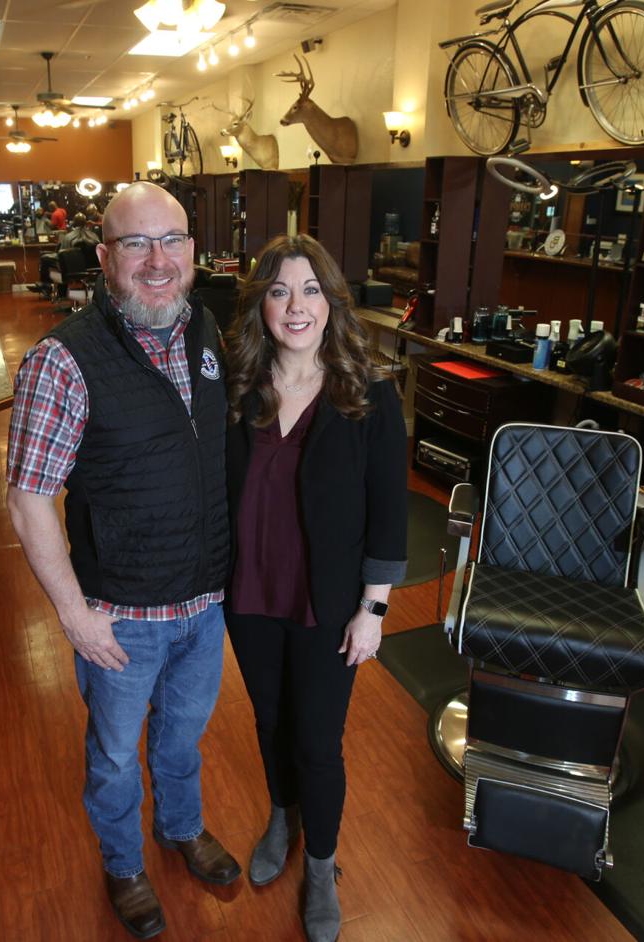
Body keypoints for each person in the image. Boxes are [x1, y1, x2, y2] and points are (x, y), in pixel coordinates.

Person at [6, 182, 238, 940]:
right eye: (136, 244)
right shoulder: (63, 359)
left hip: (202, 605)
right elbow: (29, 499)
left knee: (181, 737)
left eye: (171, 241)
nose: (157, 261)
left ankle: (181, 826)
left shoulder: (205, 330)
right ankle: (124, 865)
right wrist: (74, 615)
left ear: (193, 253)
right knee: (111, 758)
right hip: (121, 620)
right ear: (104, 257)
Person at [223, 234, 407, 942]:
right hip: (249, 595)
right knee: (270, 723)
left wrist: (374, 608)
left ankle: (322, 865)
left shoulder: (369, 393)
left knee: (318, 742)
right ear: (261, 306)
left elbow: (389, 510)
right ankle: (281, 817)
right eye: (278, 292)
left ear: (331, 302)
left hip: (327, 604)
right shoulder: (239, 387)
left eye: (309, 291)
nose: (295, 307)